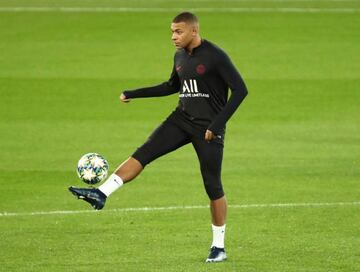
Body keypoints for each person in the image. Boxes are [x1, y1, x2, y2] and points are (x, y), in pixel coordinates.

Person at [69, 11, 248, 263]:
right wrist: (134, 93)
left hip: (208, 128)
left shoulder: (215, 56)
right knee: (144, 152)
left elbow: (241, 90)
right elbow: (171, 86)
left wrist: (217, 125)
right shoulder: (179, 56)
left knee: (212, 184)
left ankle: (218, 247)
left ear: (193, 31)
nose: (173, 37)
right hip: (181, 119)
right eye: (172, 31)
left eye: (179, 31)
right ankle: (101, 194)